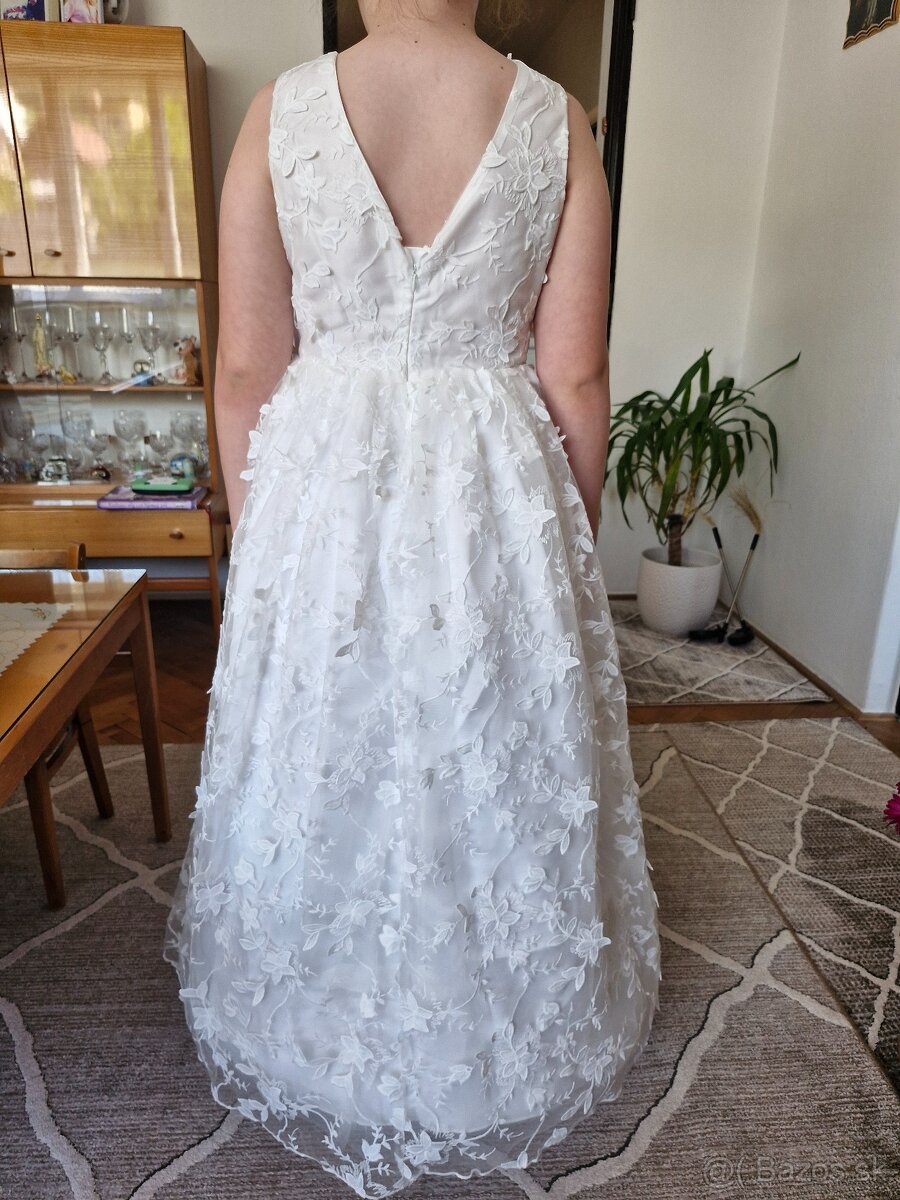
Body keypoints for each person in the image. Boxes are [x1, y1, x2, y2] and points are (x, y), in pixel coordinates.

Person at [163, 1, 661, 1196]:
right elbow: (576, 374)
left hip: (323, 482)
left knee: (330, 736)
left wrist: (266, 546)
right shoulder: (560, 121)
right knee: (482, 729)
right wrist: (564, 547)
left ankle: (306, 1017)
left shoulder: (279, 113)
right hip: (492, 478)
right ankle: (490, 1015)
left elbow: (247, 367)